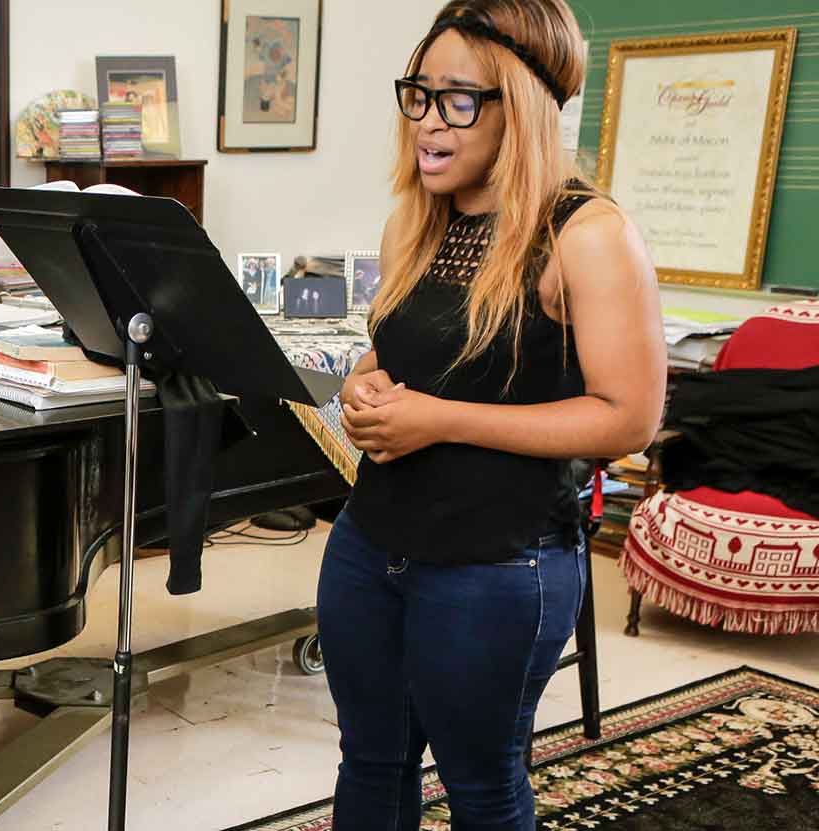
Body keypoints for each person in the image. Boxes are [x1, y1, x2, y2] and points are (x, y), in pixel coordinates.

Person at [322, 1, 665, 829]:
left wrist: (440, 419)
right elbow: (405, 355)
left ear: (526, 108)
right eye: (419, 94)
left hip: (498, 566)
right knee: (369, 761)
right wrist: (363, 385)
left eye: (458, 99)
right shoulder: (420, 217)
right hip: (371, 545)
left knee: (481, 786)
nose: (428, 124)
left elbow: (628, 419)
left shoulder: (588, 233)